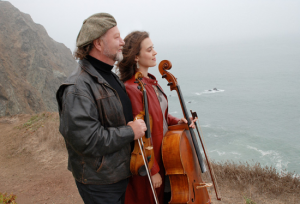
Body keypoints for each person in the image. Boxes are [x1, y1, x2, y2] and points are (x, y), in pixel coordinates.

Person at [56, 13, 147, 204]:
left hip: (116, 174)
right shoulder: (78, 87)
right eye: (116, 37)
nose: (122, 42)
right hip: (100, 182)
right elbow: (87, 140)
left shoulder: (110, 77)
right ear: (98, 44)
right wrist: (130, 132)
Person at [117, 31, 196, 204]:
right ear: (136, 56)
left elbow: (160, 116)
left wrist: (177, 121)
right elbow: (140, 134)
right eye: (150, 49)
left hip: (163, 157)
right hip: (150, 162)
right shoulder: (132, 88)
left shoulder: (151, 82)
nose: (155, 53)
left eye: (154, 48)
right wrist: (152, 170)